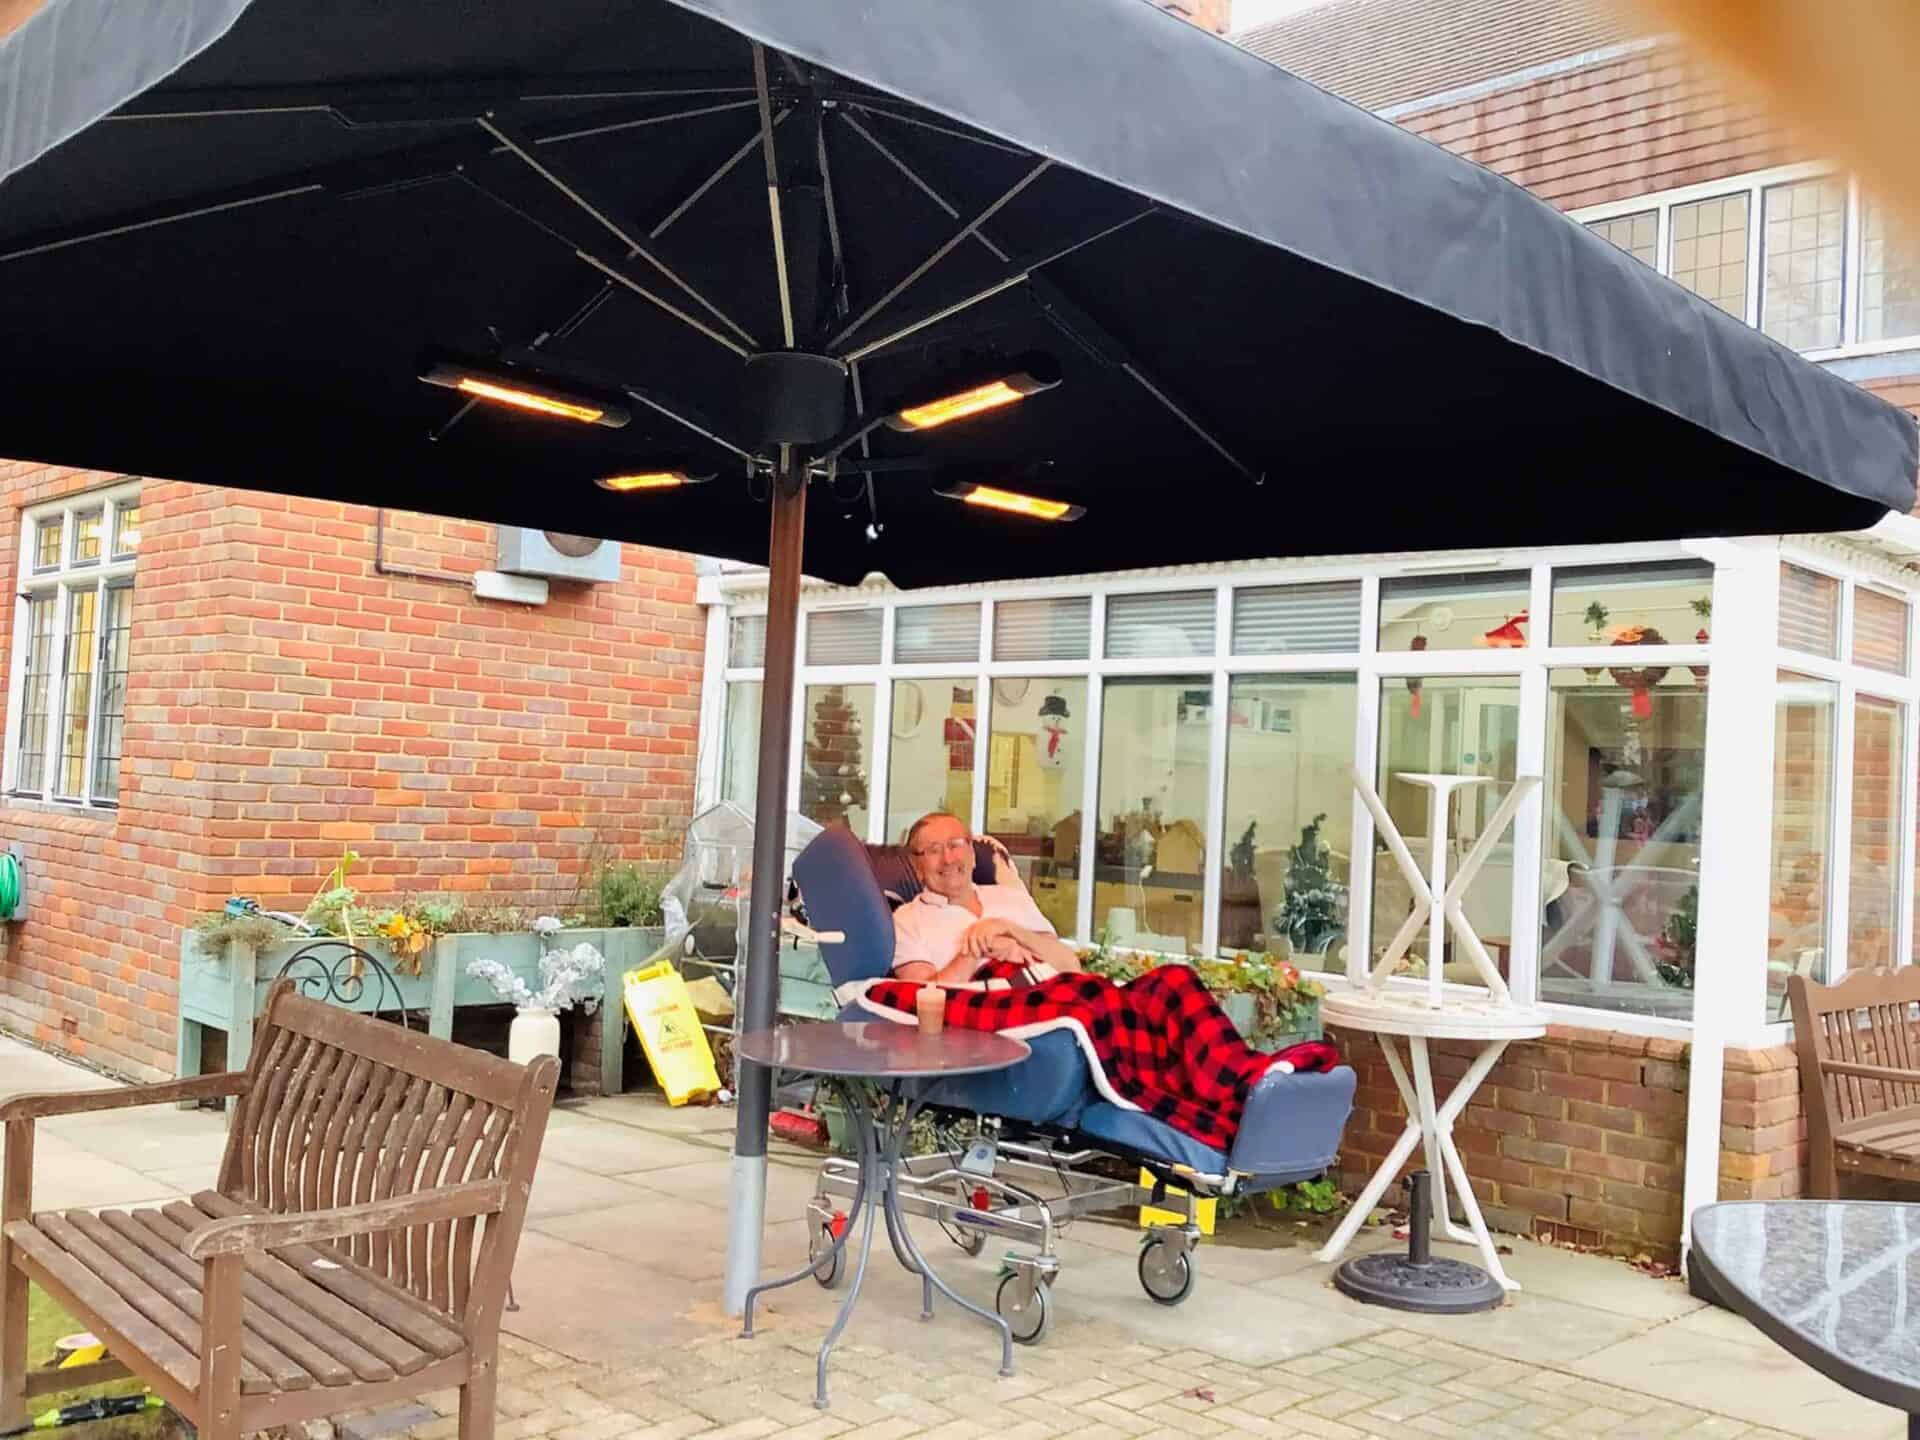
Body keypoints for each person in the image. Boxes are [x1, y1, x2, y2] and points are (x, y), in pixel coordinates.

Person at [890, 811, 1082, 984]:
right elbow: (922, 998)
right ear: (917, 867)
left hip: (1051, 1000)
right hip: (987, 1012)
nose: (948, 859)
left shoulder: (1011, 896)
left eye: (955, 845)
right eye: (934, 850)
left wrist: (1010, 930)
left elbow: (1070, 965)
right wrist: (977, 949)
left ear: (972, 855)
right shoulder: (906, 921)